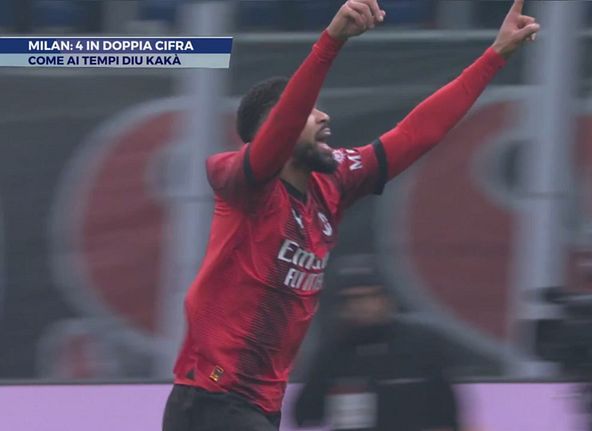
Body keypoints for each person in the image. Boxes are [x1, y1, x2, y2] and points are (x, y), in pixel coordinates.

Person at [162, 1, 540, 430]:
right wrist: (332, 42)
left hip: (260, 403)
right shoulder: (244, 184)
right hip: (212, 396)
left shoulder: (334, 181)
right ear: (275, 129)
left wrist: (495, 56)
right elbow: (282, 128)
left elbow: (416, 133)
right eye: (309, 111)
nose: (324, 115)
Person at [293, 262, 459, 431]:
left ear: (387, 300)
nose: (361, 306)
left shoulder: (420, 345)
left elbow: (446, 413)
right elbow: (305, 414)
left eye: (370, 297)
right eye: (352, 299)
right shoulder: (334, 353)